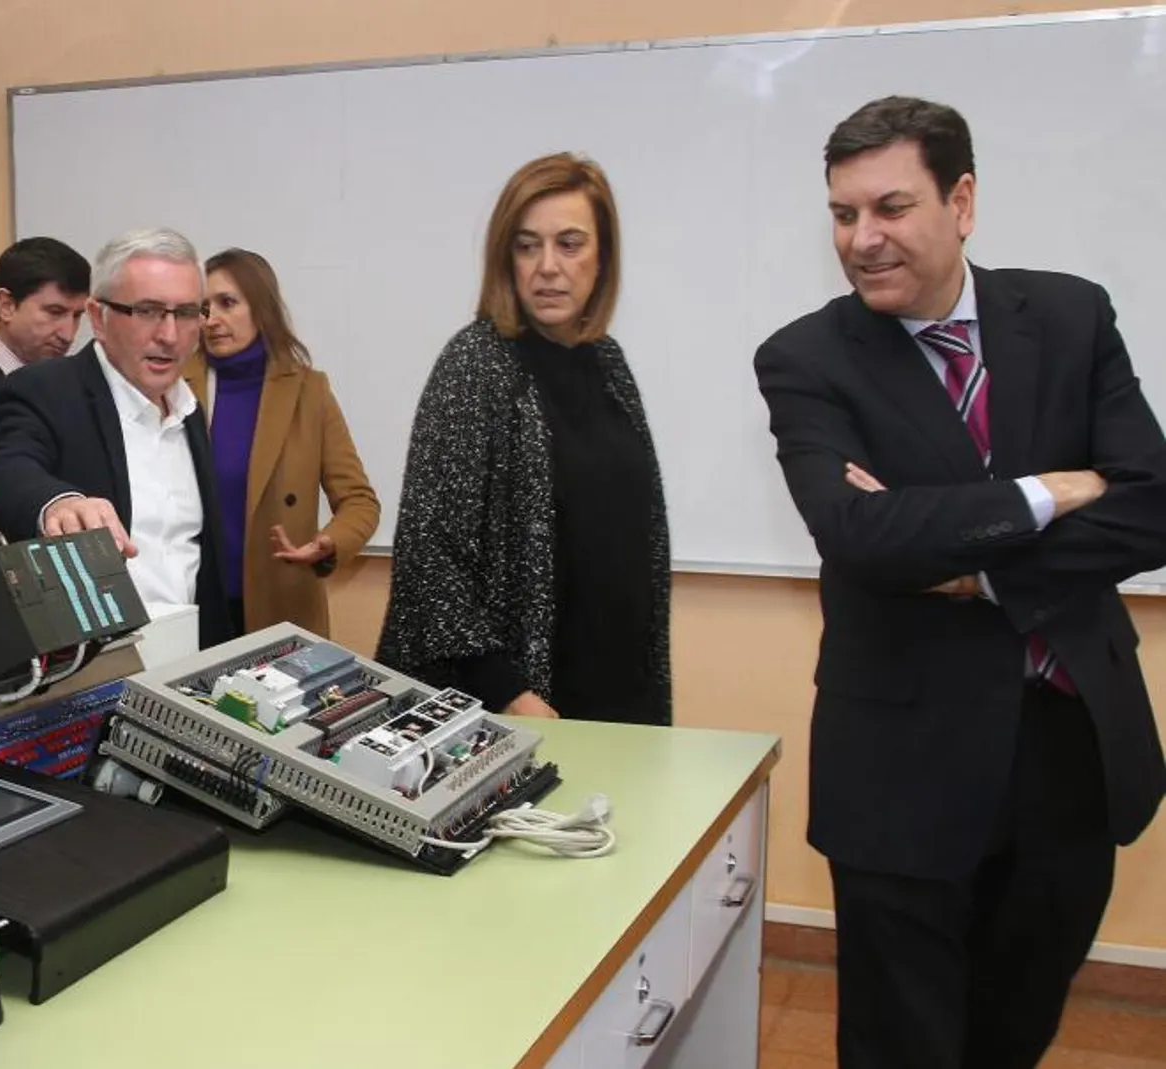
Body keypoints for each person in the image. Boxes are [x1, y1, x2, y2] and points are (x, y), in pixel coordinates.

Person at [753, 95, 1166, 1069]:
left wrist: (972, 569)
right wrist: (1049, 491)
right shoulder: (806, 358)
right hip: (902, 759)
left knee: (1013, 1028)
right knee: (902, 1044)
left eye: (889, 207)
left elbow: (1152, 506)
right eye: (843, 214)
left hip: (1066, 750)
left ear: (962, 200)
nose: (862, 238)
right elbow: (857, 536)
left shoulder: (1068, 316)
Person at [375, 153, 671, 726]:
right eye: (527, 245)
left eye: (570, 243)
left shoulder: (609, 364)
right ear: (504, 258)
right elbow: (428, 556)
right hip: (516, 708)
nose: (548, 267)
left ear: (602, 256)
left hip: (620, 697)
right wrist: (510, 694)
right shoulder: (475, 362)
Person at [0, 227, 237, 649]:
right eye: (147, 311)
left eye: (185, 313)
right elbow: (3, 471)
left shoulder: (189, 409)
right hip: (90, 677)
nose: (169, 335)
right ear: (99, 317)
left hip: (182, 672)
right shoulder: (45, 390)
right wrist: (59, 502)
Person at [184, 248, 380, 637]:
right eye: (203, 308)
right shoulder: (173, 384)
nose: (213, 320)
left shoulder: (308, 390)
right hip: (191, 606)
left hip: (281, 602)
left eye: (228, 303)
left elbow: (360, 502)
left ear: (261, 308)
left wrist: (327, 543)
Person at [0, 236, 91, 392]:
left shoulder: (71, 389)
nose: (68, 336)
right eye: (55, 312)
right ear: (6, 306)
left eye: (77, 316)